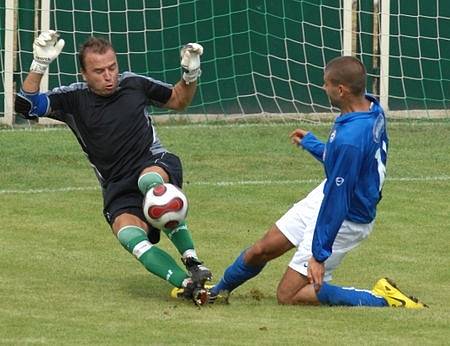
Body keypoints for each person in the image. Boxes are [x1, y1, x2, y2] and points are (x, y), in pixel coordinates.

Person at [205, 56, 427, 308]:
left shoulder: (351, 138)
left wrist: (319, 255)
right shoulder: (371, 107)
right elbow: (344, 165)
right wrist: (313, 144)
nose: (323, 88)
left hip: (346, 216)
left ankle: (382, 298)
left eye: (326, 84)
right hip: (331, 194)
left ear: (341, 90)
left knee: (288, 296)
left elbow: (338, 199)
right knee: (262, 248)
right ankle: (216, 291)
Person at [15, 30, 212, 305]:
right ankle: (189, 284)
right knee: (129, 236)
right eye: (99, 71)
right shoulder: (72, 99)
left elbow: (179, 99)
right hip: (116, 185)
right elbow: (25, 107)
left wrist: (190, 73)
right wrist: (39, 66)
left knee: (150, 185)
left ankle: (192, 259)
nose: (109, 76)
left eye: (112, 68)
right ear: (84, 73)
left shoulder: (134, 84)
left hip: (153, 163)